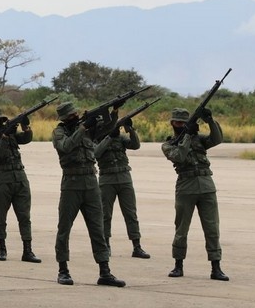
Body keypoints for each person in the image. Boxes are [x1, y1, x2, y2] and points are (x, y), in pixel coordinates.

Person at [51, 102, 125, 287]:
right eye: (72, 115)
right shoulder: (59, 133)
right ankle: (63, 270)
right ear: (65, 118)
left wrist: (112, 112)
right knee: (64, 228)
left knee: (98, 229)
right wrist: (83, 127)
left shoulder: (86, 130)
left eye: (76, 113)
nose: (75, 116)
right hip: (71, 184)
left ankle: (105, 271)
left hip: (91, 183)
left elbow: (108, 128)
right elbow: (66, 146)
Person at [161, 106, 228, 281]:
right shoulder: (168, 144)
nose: (180, 125)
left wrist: (210, 121)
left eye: (184, 123)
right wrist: (188, 136)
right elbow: (180, 156)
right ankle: (178, 265)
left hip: (206, 186)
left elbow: (217, 139)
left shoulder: (199, 139)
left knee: (212, 229)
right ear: (172, 123)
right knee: (181, 228)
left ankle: (216, 267)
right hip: (186, 187)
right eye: (177, 122)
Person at [0, 107, 41, 263]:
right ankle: (2, 249)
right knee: (1, 217)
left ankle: (28, 250)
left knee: (24, 216)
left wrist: (25, 126)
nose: (0, 122)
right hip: (2, 178)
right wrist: (6, 135)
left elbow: (26, 138)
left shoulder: (11, 134)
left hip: (20, 177)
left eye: (1, 120)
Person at [96, 108, 151, 260]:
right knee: (105, 214)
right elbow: (95, 153)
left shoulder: (119, 138)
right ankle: (105, 245)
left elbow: (135, 145)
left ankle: (137, 246)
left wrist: (130, 129)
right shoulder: (96, 138)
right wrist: (108, 137)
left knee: (131, 213)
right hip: (107, 178)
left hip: (124, 177)